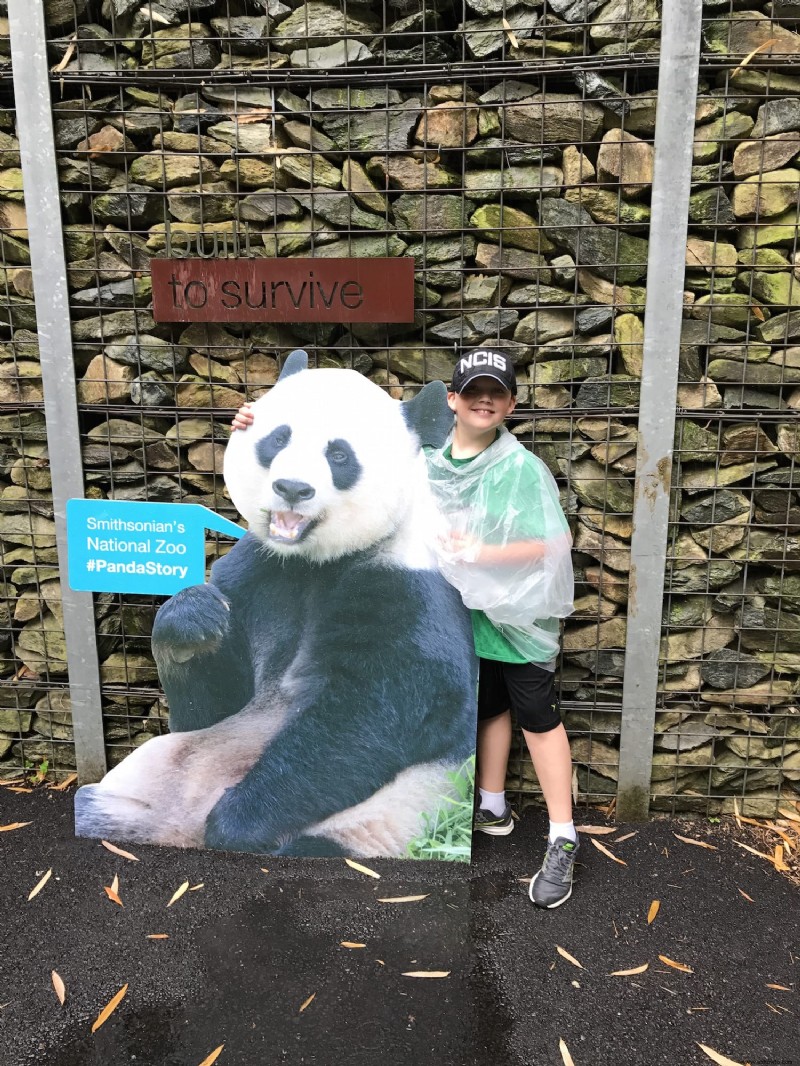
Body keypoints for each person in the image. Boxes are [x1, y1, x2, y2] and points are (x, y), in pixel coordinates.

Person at [230, 347, 577, 908]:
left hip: (511, 619)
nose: (483, 403)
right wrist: (256, 419)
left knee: (536, 716)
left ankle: (562, 836)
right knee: (488, 710)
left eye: (495, 395)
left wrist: (487, 552)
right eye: (472, 394)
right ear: (451, 403)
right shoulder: (425, 455)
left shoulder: (520, 469)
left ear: (511, 404)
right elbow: (354, 424)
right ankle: (491, 804)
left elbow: (556, 545)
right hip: (464, 617)